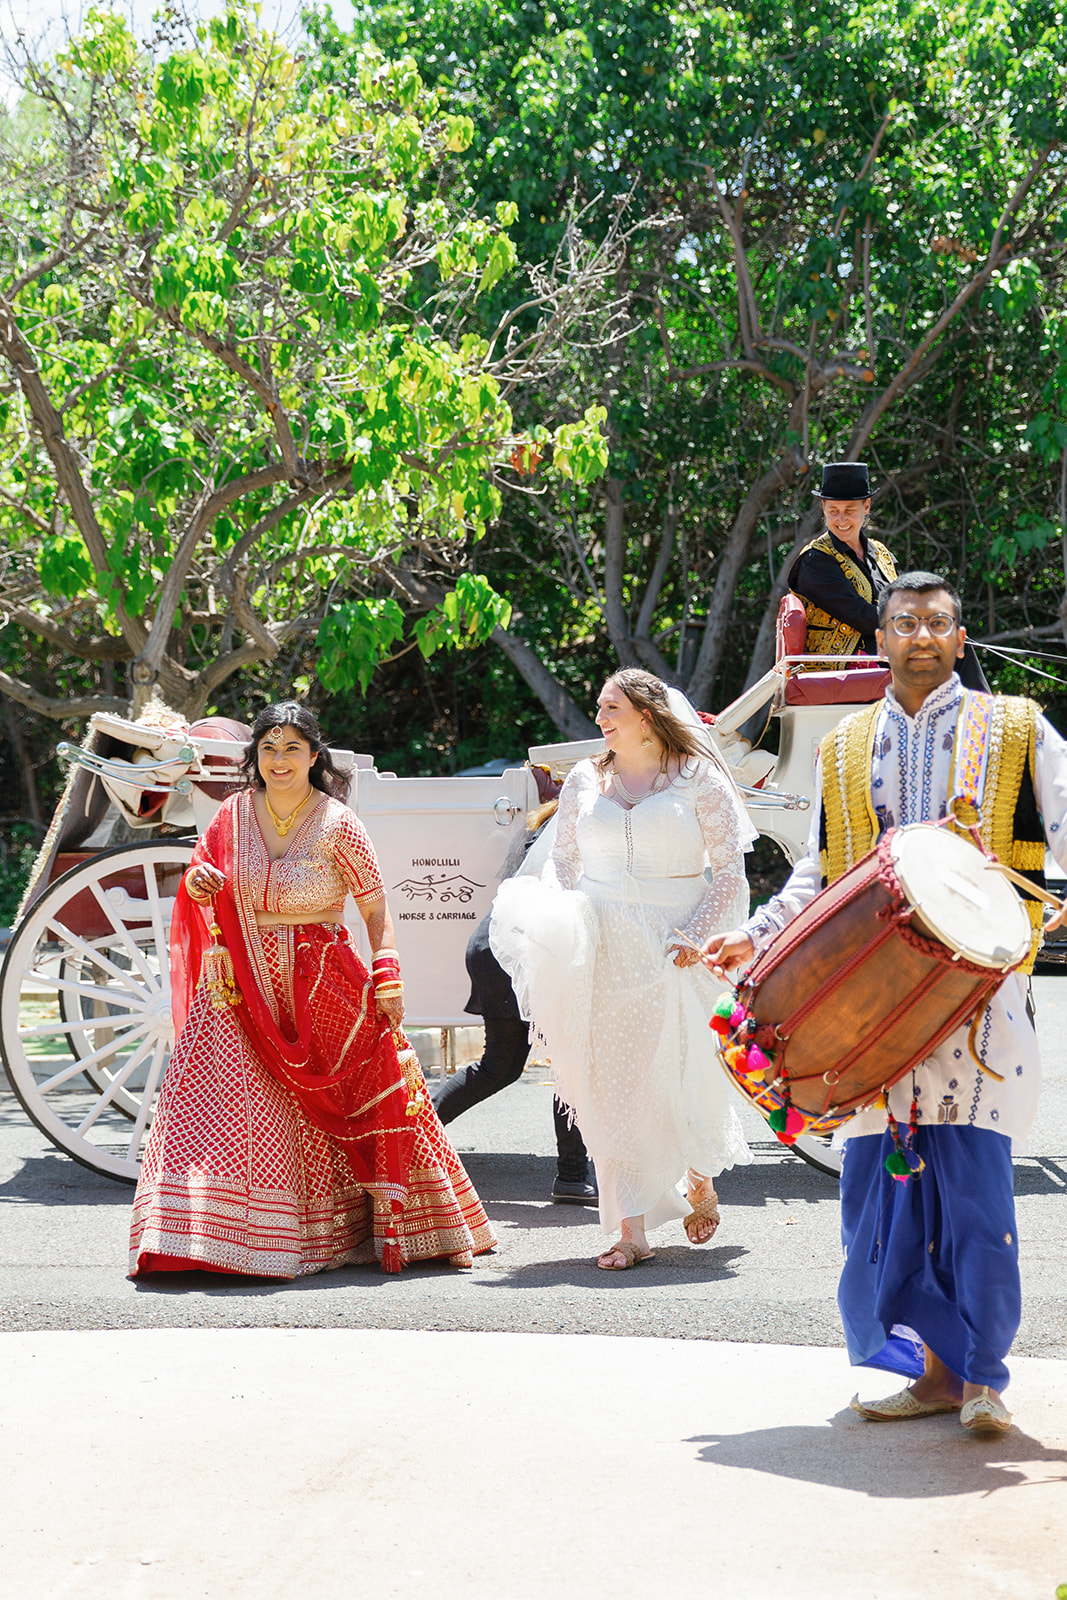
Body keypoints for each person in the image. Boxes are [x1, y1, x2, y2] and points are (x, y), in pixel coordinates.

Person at [703, 573, 1067, 1433]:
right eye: (904, 623)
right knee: (882, 1198)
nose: (921, 637)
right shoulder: (843, 746)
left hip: (977, 1002)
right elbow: (818, 876)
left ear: (960, 638)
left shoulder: (1012, 727)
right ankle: (931, 1376)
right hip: (866, 1015)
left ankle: (983, 1380)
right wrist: (758, 936)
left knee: (975, 1197)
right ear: (881, 638)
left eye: (938, 623)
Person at [129, 702, 496, 1278]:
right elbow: (205, 882)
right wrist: (199, 884)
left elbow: (375, 909)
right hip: (237, 982)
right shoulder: (230, 817)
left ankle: (370, 1229)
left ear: (314, 756)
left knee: (359, 1095)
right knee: (212, 1103)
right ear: (255, 756)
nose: (279, 760)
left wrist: (387, 971)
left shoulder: (337, 823)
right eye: (268, 749)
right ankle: (204, 1236)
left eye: (292, 748)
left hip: (320, 979)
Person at [490, 668, 755, 1270]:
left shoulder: (698, 779)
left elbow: (730, 873)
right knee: (608, 1084)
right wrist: (556, 920)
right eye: (600, 708)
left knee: (678, 1073)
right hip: (602, 944)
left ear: (647, 715)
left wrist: (695, 935)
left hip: (674, 946)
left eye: (612, 708)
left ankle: (697, 1174)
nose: (602, 719)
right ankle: (629, 1229)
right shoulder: (587, 778)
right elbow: (562, 862)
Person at [432, 789, 597, 1205]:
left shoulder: (537, 828)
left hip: (493, 945)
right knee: (571, 1060)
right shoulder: (585, 828)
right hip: (521, 951)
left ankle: (413, 1134)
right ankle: (573, 1175)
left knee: (501, 1067)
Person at [788, 460, 897, 657]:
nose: (841, 520)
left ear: (866, 507)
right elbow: (860, 615)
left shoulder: (881, 553)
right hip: (843, 666)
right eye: (833, 511)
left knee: (958, 647)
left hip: (887, 649)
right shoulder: (815, 560)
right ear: (823, 508)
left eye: (849, 510)